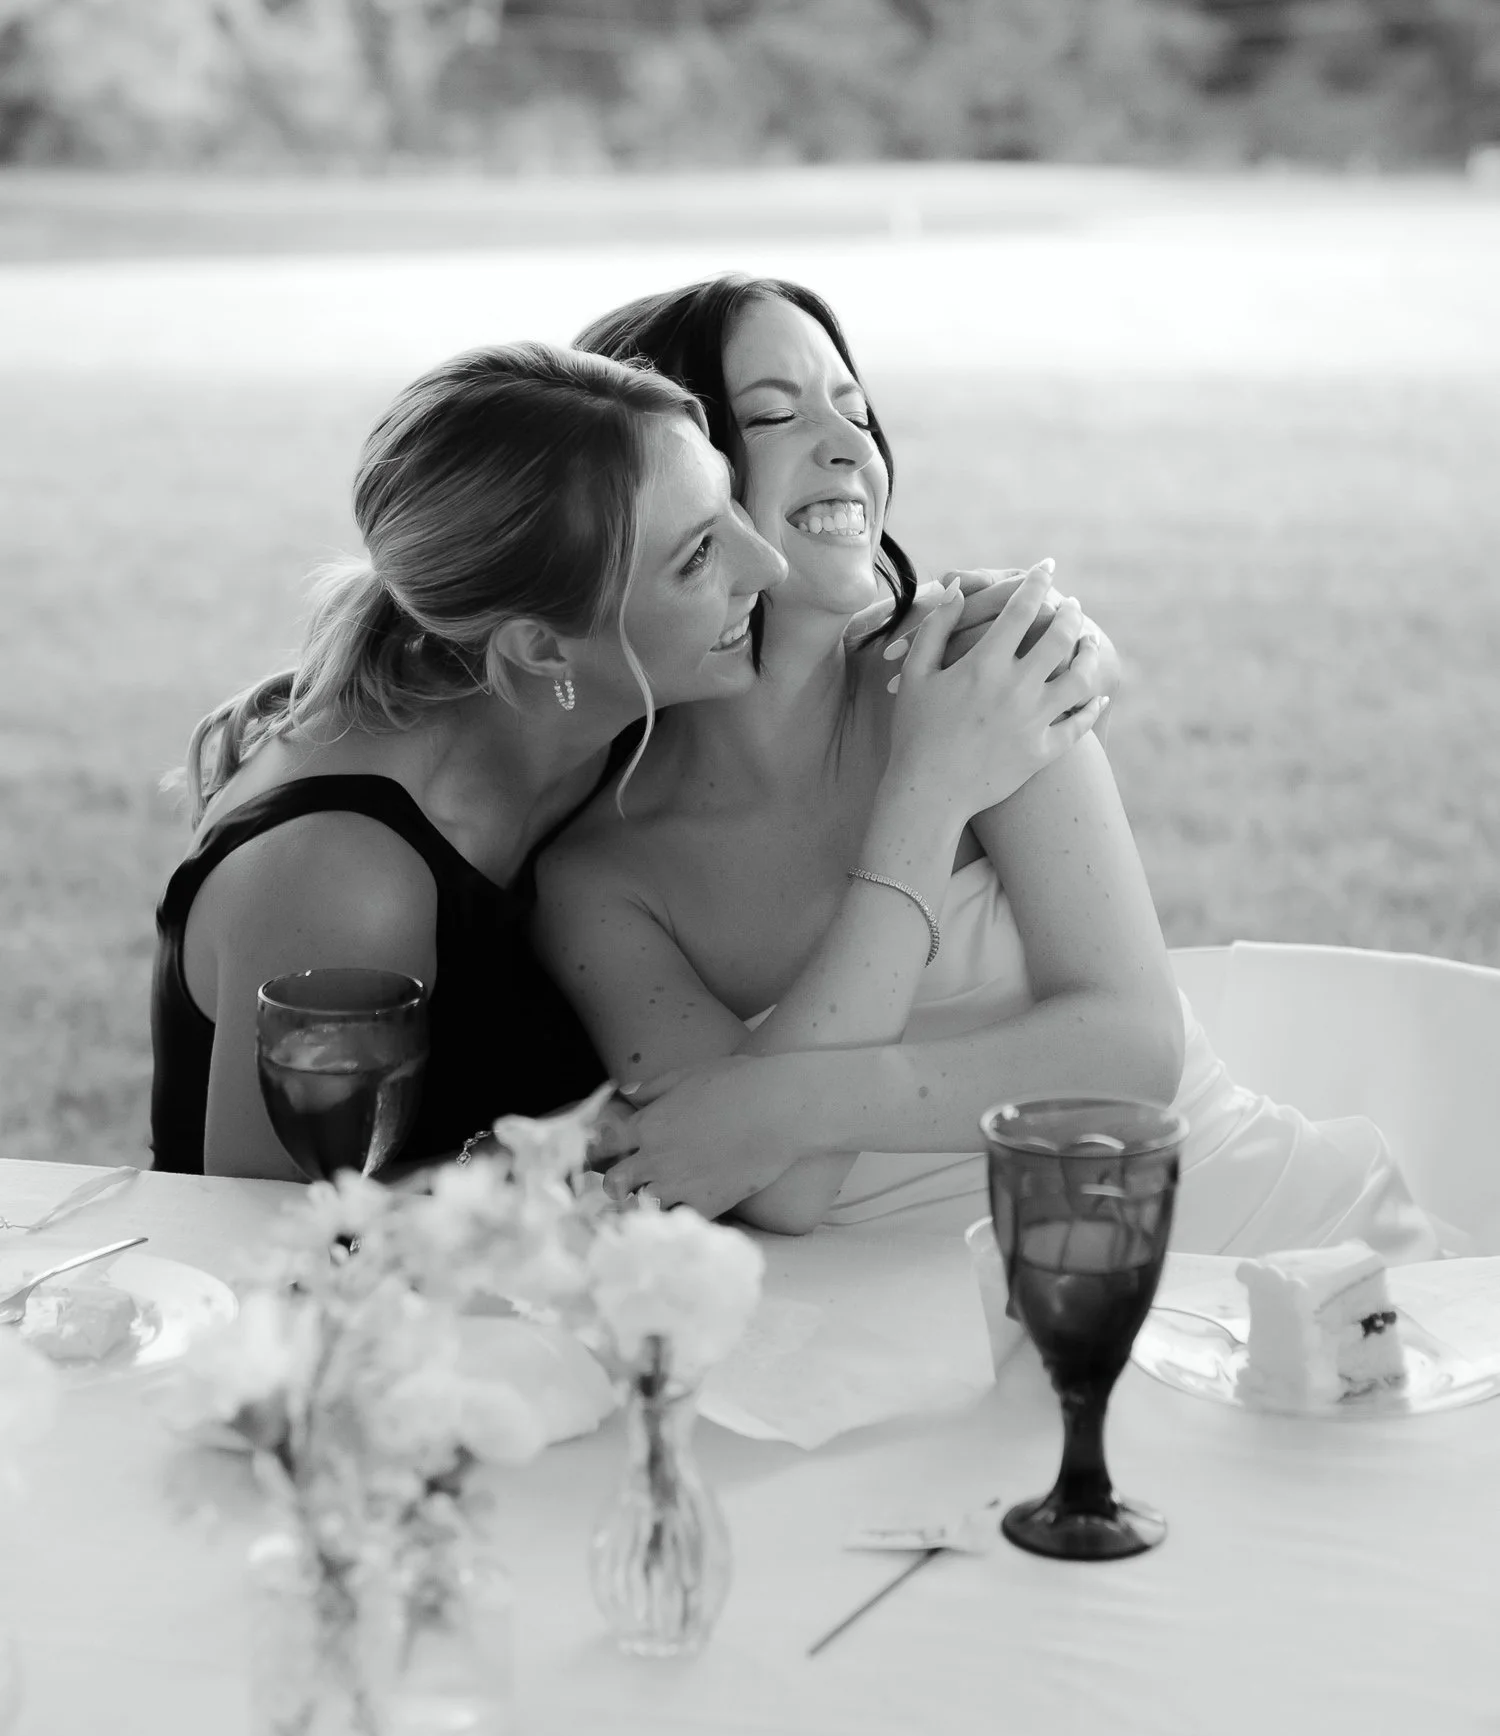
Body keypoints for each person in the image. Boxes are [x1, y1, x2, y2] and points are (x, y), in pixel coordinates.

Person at [540, 276, 1455, 1265]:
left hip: (1228, 1237)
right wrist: (928, 797)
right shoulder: (601, 879)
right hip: (897, 1328)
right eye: (773, 414)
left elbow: (1131, 1050)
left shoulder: (979, 668)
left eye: (854, 408)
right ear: (673, 485)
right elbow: (784, 1189)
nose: (850, 446)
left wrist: (777, 1096)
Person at [150, 340, 788, 1178]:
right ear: (540, 648)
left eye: (730, 504)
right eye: (699, 553)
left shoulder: (626, 715)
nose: (766, 564)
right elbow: (264, 1248)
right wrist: (551, 1149)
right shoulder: (343, 878)